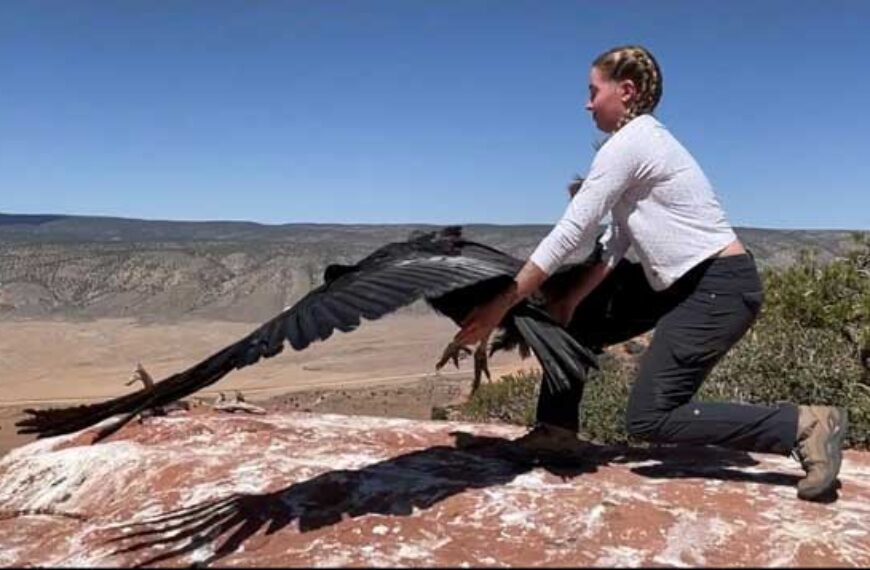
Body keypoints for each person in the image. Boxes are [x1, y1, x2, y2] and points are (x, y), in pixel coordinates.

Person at [450, 45, 847, 502]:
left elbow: (570, 232)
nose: (587, 103)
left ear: (627, 90)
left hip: (717, 287)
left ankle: (802, 425)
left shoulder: (632, 143)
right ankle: (557, 430)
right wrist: (570, 300)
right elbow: (616, 242)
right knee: (574, 326)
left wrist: (500, 304)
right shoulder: (642, 144)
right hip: (699, 285)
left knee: (650, 418)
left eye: (593, 91)